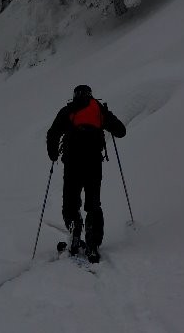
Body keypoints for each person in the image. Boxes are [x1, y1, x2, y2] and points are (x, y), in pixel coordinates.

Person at [45, 84, 126, 263]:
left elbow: (53, 133)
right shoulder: (98, 109)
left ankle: (74, 232)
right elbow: (121, 131)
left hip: (72, 164)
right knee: (93, 203)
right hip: (93, 164)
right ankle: (93, 244)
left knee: (70, 201)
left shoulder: (68, 110)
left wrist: (52, 154)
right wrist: (106, 118)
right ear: (90, 95)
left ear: (74, 95)